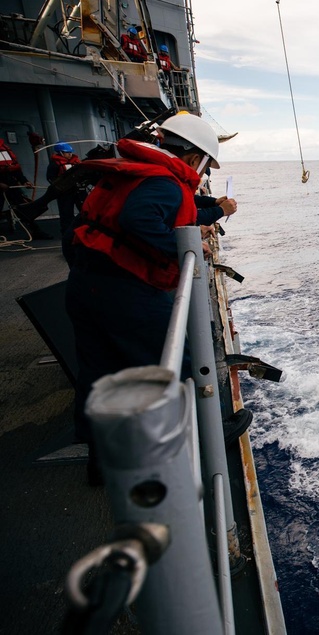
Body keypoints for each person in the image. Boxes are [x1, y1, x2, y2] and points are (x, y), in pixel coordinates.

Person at [66, 112, 220, 483]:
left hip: (86, 281)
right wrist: (187, 248)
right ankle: (200, 439)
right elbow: (140, 220)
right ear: (193, 156)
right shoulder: (166, 183)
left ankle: (100, 460)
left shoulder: (134, 170)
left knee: (99, 372)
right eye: (203, 163)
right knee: (177, 365)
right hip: (124, 289)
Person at [0, 137, 46, 238]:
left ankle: (35, 231)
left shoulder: (5, 149)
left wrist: (24, 181)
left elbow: (15, 168)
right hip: (2, 184)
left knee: (22, 208)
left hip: (10, 183)